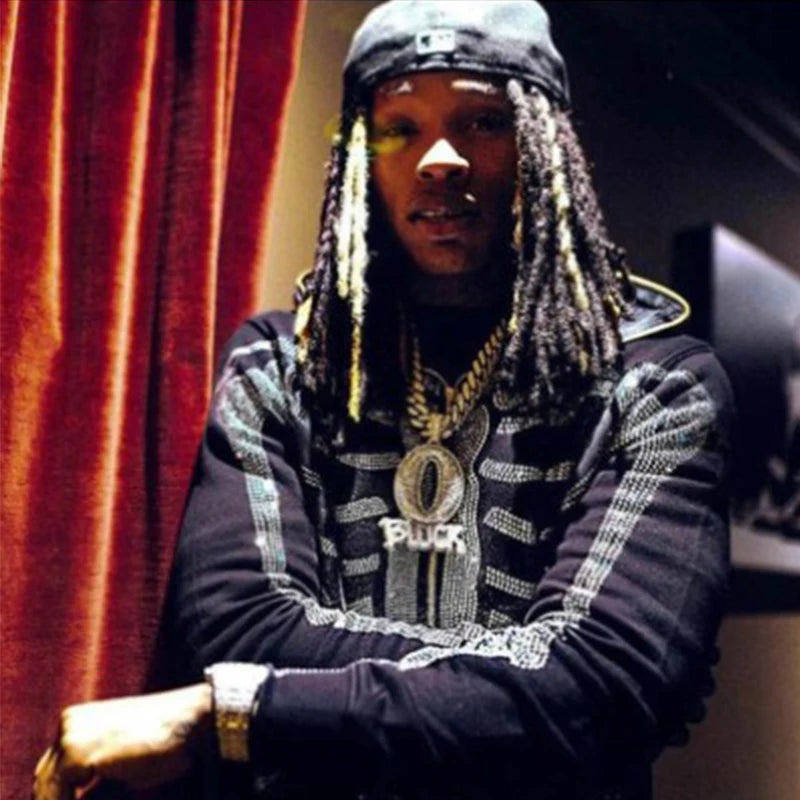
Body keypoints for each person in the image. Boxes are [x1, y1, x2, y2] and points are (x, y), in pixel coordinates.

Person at [33, 2, 734, 799]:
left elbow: (600, 686)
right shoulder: (280, 365)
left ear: (545, 145)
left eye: (483, 121)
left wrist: (232, 709)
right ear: (362, 155)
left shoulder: (657, 382)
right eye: (400, 127)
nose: (440, 159)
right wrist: (524, 696)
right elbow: (239, 628)